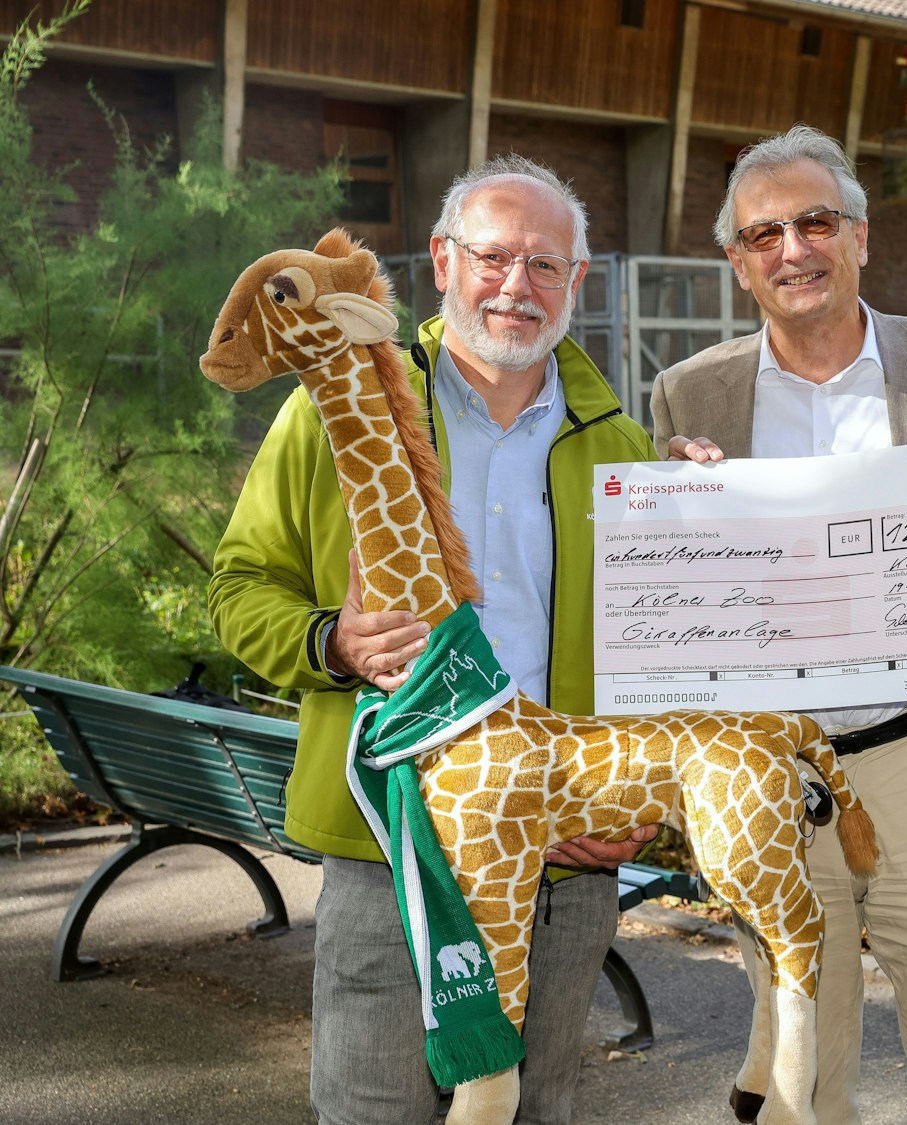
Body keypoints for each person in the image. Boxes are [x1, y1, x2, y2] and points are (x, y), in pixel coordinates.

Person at [209, 155, 659, 1124]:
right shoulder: (339, 414)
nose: (516, 286)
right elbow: (239, 589)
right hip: (390, 842)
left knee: (533, 1109)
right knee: (374, 1109)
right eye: (494, 257)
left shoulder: (623, 452)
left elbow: (664, 650)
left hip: (561, 852)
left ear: (577, 282)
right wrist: (332, 642)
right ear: (442, 263)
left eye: (546, 265)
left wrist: (635, 797)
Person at [650, 124, 907, 1125]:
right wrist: (671, 518)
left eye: (814, 221)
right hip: (771, 779)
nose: (793, 249)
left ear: (859, 237)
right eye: (763, 234)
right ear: (738, 264)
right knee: (800, 1082)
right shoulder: (688, 395)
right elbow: (671, 600)